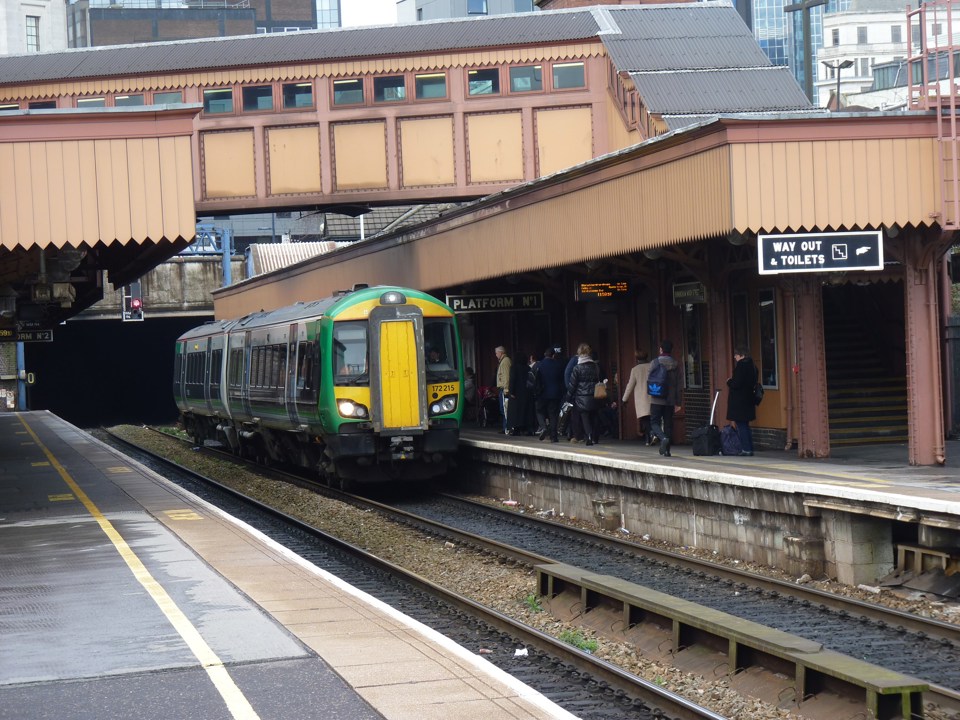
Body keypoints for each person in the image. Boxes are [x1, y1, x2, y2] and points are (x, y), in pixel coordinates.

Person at [564, 342, 602, 446]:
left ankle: (589, 436)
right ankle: (595, 438)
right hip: (594, 395)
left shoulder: (577, 368)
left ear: (579, 353)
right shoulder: (595, 366)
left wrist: (568, 396)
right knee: (594, 416)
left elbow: (573, 384)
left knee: (585, 416)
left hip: (581, 397)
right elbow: (600, 380)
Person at [649, 339, 682, 457]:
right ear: (671, 350)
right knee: (668, 423)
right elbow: (679, 384)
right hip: (670, 399)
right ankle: (667, 451)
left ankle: (662, 438)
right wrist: (678, 402)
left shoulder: (654, 363)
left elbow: (649, 379)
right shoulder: (676, 364)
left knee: (654, 422)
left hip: (656, 397)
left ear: (661, 349)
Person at [726, 345, 758, 456]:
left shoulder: (741, 367)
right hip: (749, 399)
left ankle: (746, 449)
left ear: (742, 356)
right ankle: (749, 447)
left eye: (736, 355)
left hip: (740, 401)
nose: (735, 357)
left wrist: (729, 382)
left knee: (741, 425)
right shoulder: (753, 366)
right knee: (745, 425)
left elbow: (736, 384)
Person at [535, 347, 565, 443]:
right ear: (553, 355)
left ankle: (543, 427)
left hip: (542, 393)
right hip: (555, 393)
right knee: (553, 415)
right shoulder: (558, 365)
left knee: (539, 410)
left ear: (545, 354)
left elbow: (534, 379)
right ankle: (554, 437)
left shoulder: (539, 364)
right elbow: (561, 380)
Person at [622, 350, 652, 444]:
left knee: (645, 419)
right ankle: (654, 434)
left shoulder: (635, 370)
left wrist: (624, 399)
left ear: (637, 359)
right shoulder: (652, 366)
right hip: (654, 395)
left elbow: (630, 385)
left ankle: (648, 438)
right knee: (654, 417)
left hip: (642, 398)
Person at [494, 346, 512, 434]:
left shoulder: (505, 361)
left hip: (504, 389)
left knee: (505, 409)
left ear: (501, 352)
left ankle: (507, 427)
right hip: (502, 389)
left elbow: (506, 376)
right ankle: (505, 427)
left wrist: (506, 389)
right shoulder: (503, 361)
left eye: (496, 353)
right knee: (503, 409)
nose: (496, 355)